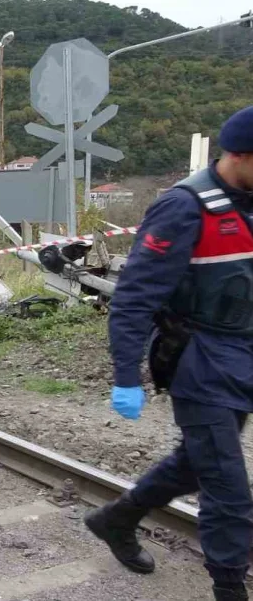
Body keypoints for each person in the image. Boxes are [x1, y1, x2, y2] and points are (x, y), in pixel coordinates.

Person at [87, 106, 253, 601]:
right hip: (199, 362)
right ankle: (229, 588)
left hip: (242, 355)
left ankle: (117, 519)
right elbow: (135, 296)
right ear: (240, 155)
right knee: (228, 490)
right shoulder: (183, 208)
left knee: (195, 464)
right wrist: (125, 375)